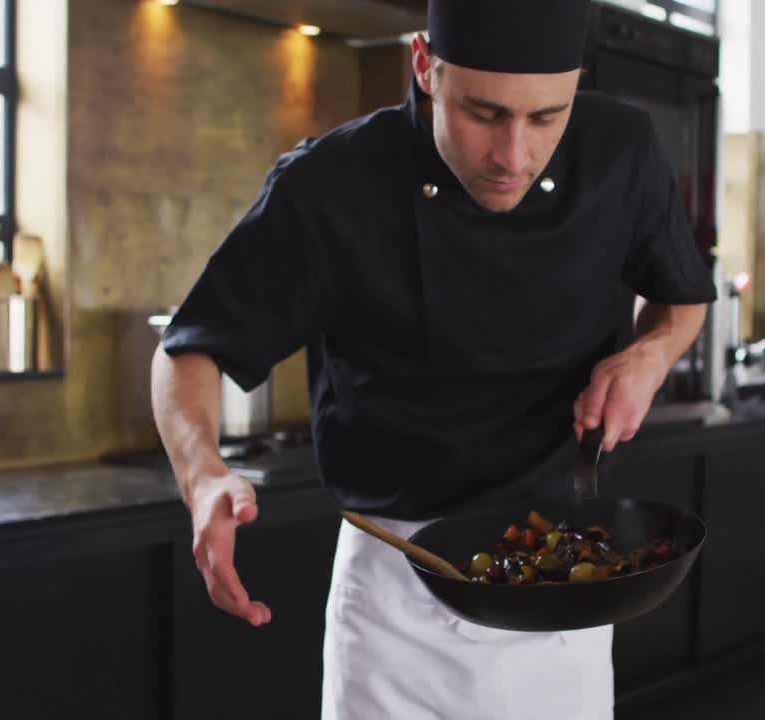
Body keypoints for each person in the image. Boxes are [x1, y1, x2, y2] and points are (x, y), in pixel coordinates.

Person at [150, 0, 715, 716]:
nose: (513, 155)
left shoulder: (621, 151)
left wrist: (649, 356)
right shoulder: (331, 184)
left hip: (564, 587)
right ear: (424, 64)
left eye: (546, 117)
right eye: (484, 113)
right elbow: (188, 351)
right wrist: (202, 476)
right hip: (396, 599)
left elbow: (681, 298)